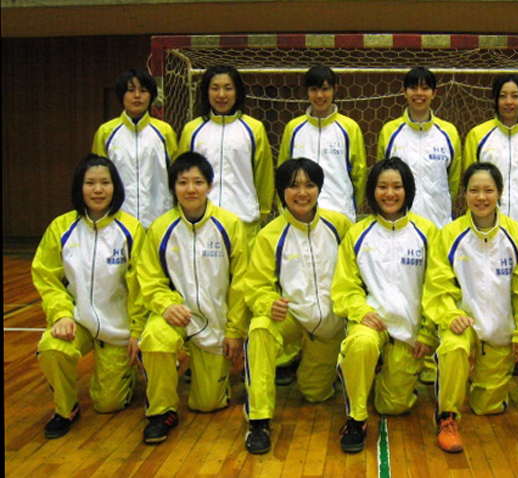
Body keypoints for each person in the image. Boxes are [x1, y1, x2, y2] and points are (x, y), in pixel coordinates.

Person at [422, 162, 518, 453]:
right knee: (453, 346)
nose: (481, 197)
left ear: (500, 193)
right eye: (474, 190)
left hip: (499, 332)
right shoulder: (448, 235)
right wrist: (451, 315)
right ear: (464, 193)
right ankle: (447, 417)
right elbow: (437, 286)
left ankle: (481, 377)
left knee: (488, 407)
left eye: (488, 190)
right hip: (464, 326)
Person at [243, 158, 352, 454]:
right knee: (260, 328)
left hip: (330, 324)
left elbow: (358, 272)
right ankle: (259, 420)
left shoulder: (339, 225)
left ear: (319, 189)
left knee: (315, 393)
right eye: (293, 186)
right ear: (282, 191)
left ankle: (320, 366)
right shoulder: (269, 235)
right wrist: (268, 302)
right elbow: (256, 284)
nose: (302, 193)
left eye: (309, 185)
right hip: (290, 317)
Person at [137, 151, 248, 444]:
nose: (190, 189)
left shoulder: (230, 225)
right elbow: (149, 279)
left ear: (210, 186)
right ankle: (161, 411)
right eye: (182, 182)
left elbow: (241, 283)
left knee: (207, 403)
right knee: (155, 337)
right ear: (173, 187)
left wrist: (235, 330)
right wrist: (165, 304)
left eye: (198, 182)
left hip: (214, 322)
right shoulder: (160, 228)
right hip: (174, 316)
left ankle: (206, 376)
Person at [33, 153, 145, 438]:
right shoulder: (61, 228)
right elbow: (47, 278)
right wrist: (61, 314)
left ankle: (125, 374)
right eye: (90, 183)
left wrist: (137, 330)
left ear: (115, 187)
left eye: (105, 183)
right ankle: (65, 408)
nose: (98, 190)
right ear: (79, 187)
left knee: (108, 404)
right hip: (78, 322)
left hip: (117, 328)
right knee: (52, 347)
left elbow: (141, 285)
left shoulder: (131, 230)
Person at [332, 157, 438, 453]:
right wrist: (361, 311)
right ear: (372, 191)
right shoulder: (358, 233)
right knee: (362, 344)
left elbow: (437, 287)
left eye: (397, 187)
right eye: (382, 187)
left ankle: (381, 371)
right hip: (371, 324)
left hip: (408, 332)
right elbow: (345, 285)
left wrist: (428, 331)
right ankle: (356, 419)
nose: (389, 194)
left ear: (408, 190)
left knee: (392, 406)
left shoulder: (427, 232)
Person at [179, 64, 274, 245]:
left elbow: (264, 176)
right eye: (215, 88)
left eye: (228, 88)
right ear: (206, 92)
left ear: (237, 92)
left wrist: (261, 212)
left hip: (244, 222)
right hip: (201, 223)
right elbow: (181, 176)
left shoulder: (254, 129)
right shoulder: (192, 130)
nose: (221, 95)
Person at [463, 74, 518, 234]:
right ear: (495, 100)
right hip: (488, 225)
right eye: (503, 96)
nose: (509, 102)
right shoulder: (477, 135)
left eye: (515, 96)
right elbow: (469, 184)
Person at [278, 65, 367, 222]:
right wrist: (284, 207)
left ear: (335, 89)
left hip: (339, 214)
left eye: (325, 89)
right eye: (314, 89)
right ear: (307, 91)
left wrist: (349, 205)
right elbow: (283, 171)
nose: (319, 95)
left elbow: (359, 174)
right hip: (299, 214)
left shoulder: (349, 128)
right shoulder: (293, 128)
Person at [377, 67, 462, 229]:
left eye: (425, 88)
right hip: (401, 225)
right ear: (404, 92)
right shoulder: (390, 132)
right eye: (413, 88)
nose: (419, 93)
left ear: (434, 93)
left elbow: (453, 181)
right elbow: (382, 178)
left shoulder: (449, 132)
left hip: (439, 223)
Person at [92, 69, 178, 228]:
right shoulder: (106, 132)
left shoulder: (164, 132)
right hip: (117, 221)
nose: (137, 96)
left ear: (151, 96)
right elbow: (97, 177)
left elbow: (177, 174)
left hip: (159, 220)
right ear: (121, 95)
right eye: (131, 90)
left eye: (143, 91)